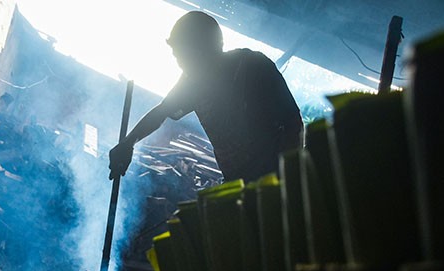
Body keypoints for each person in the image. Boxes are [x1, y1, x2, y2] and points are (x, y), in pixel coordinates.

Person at [109, 11, 303, 183]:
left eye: (184, 56)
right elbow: (161, 112)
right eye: (178, 57)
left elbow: (293, 122)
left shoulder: (252, 66)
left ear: (204, 48)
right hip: (239, 183)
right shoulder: (193, 83)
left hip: (275, 178)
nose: (181, 65)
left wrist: (287, 174)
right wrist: (128, 143)